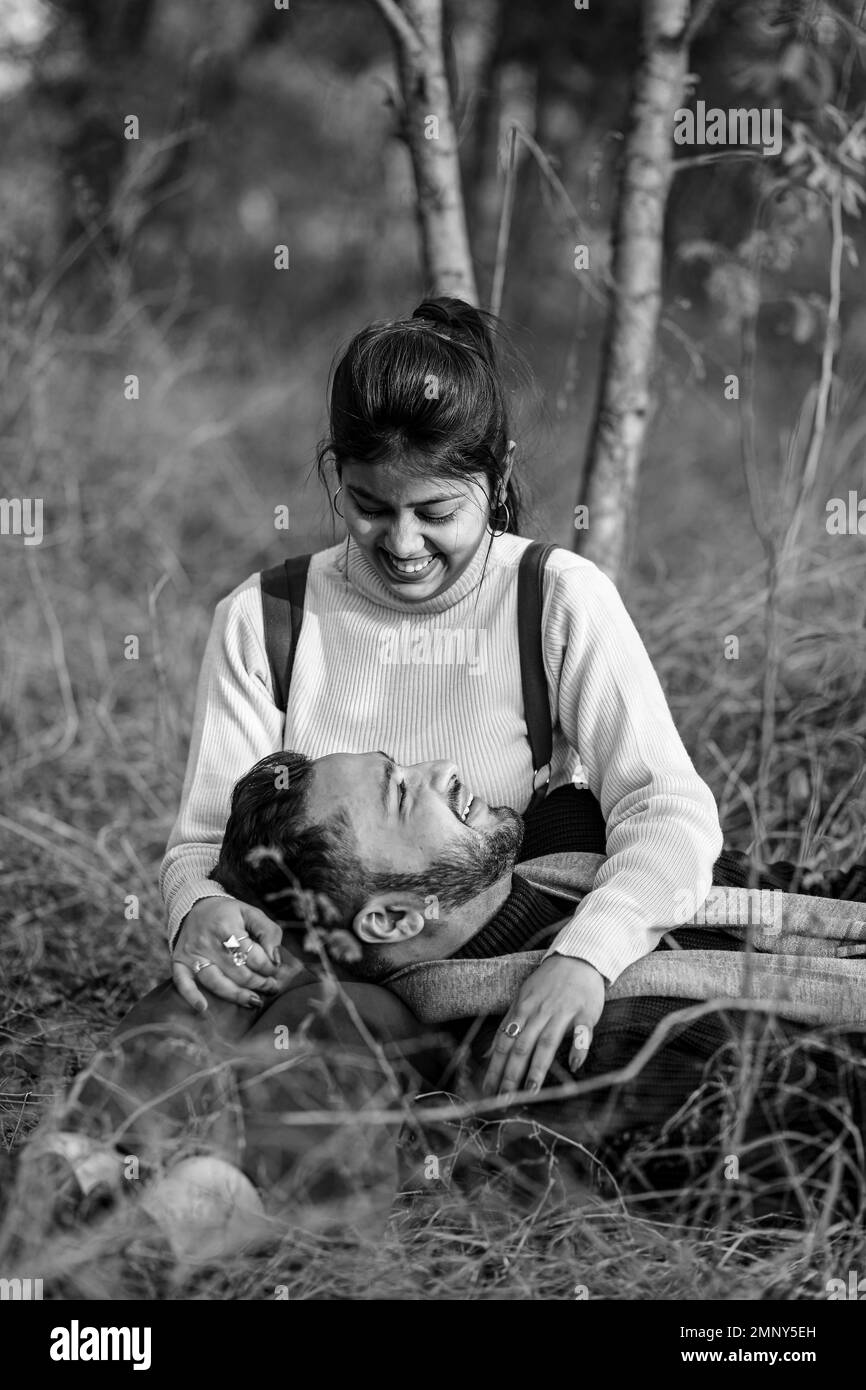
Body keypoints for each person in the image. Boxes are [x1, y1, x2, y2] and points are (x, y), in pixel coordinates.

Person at [161, 294, 724, 1076]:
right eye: (368, 507)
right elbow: (204, 839)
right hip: (300, 946)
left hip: (469, 979)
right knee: (202, 1005)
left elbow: (666, 808)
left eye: (434, 512)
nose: (401, 543)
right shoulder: (266, 620)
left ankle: (259, 1186)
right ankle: (96, 1166)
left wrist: (588, 955)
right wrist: (201, 905)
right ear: (336, 475)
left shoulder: (553, 597)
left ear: (496, 480)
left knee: (335, 1029)